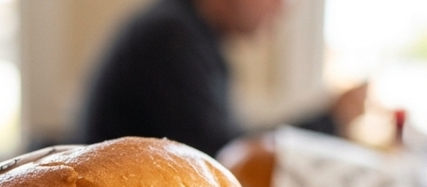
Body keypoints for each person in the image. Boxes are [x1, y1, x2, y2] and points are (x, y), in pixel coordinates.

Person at [80, 0, 367, 157]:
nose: (282, 7)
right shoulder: (172, 38)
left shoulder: (189, 34)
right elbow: (224, 158)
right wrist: (330, 121)